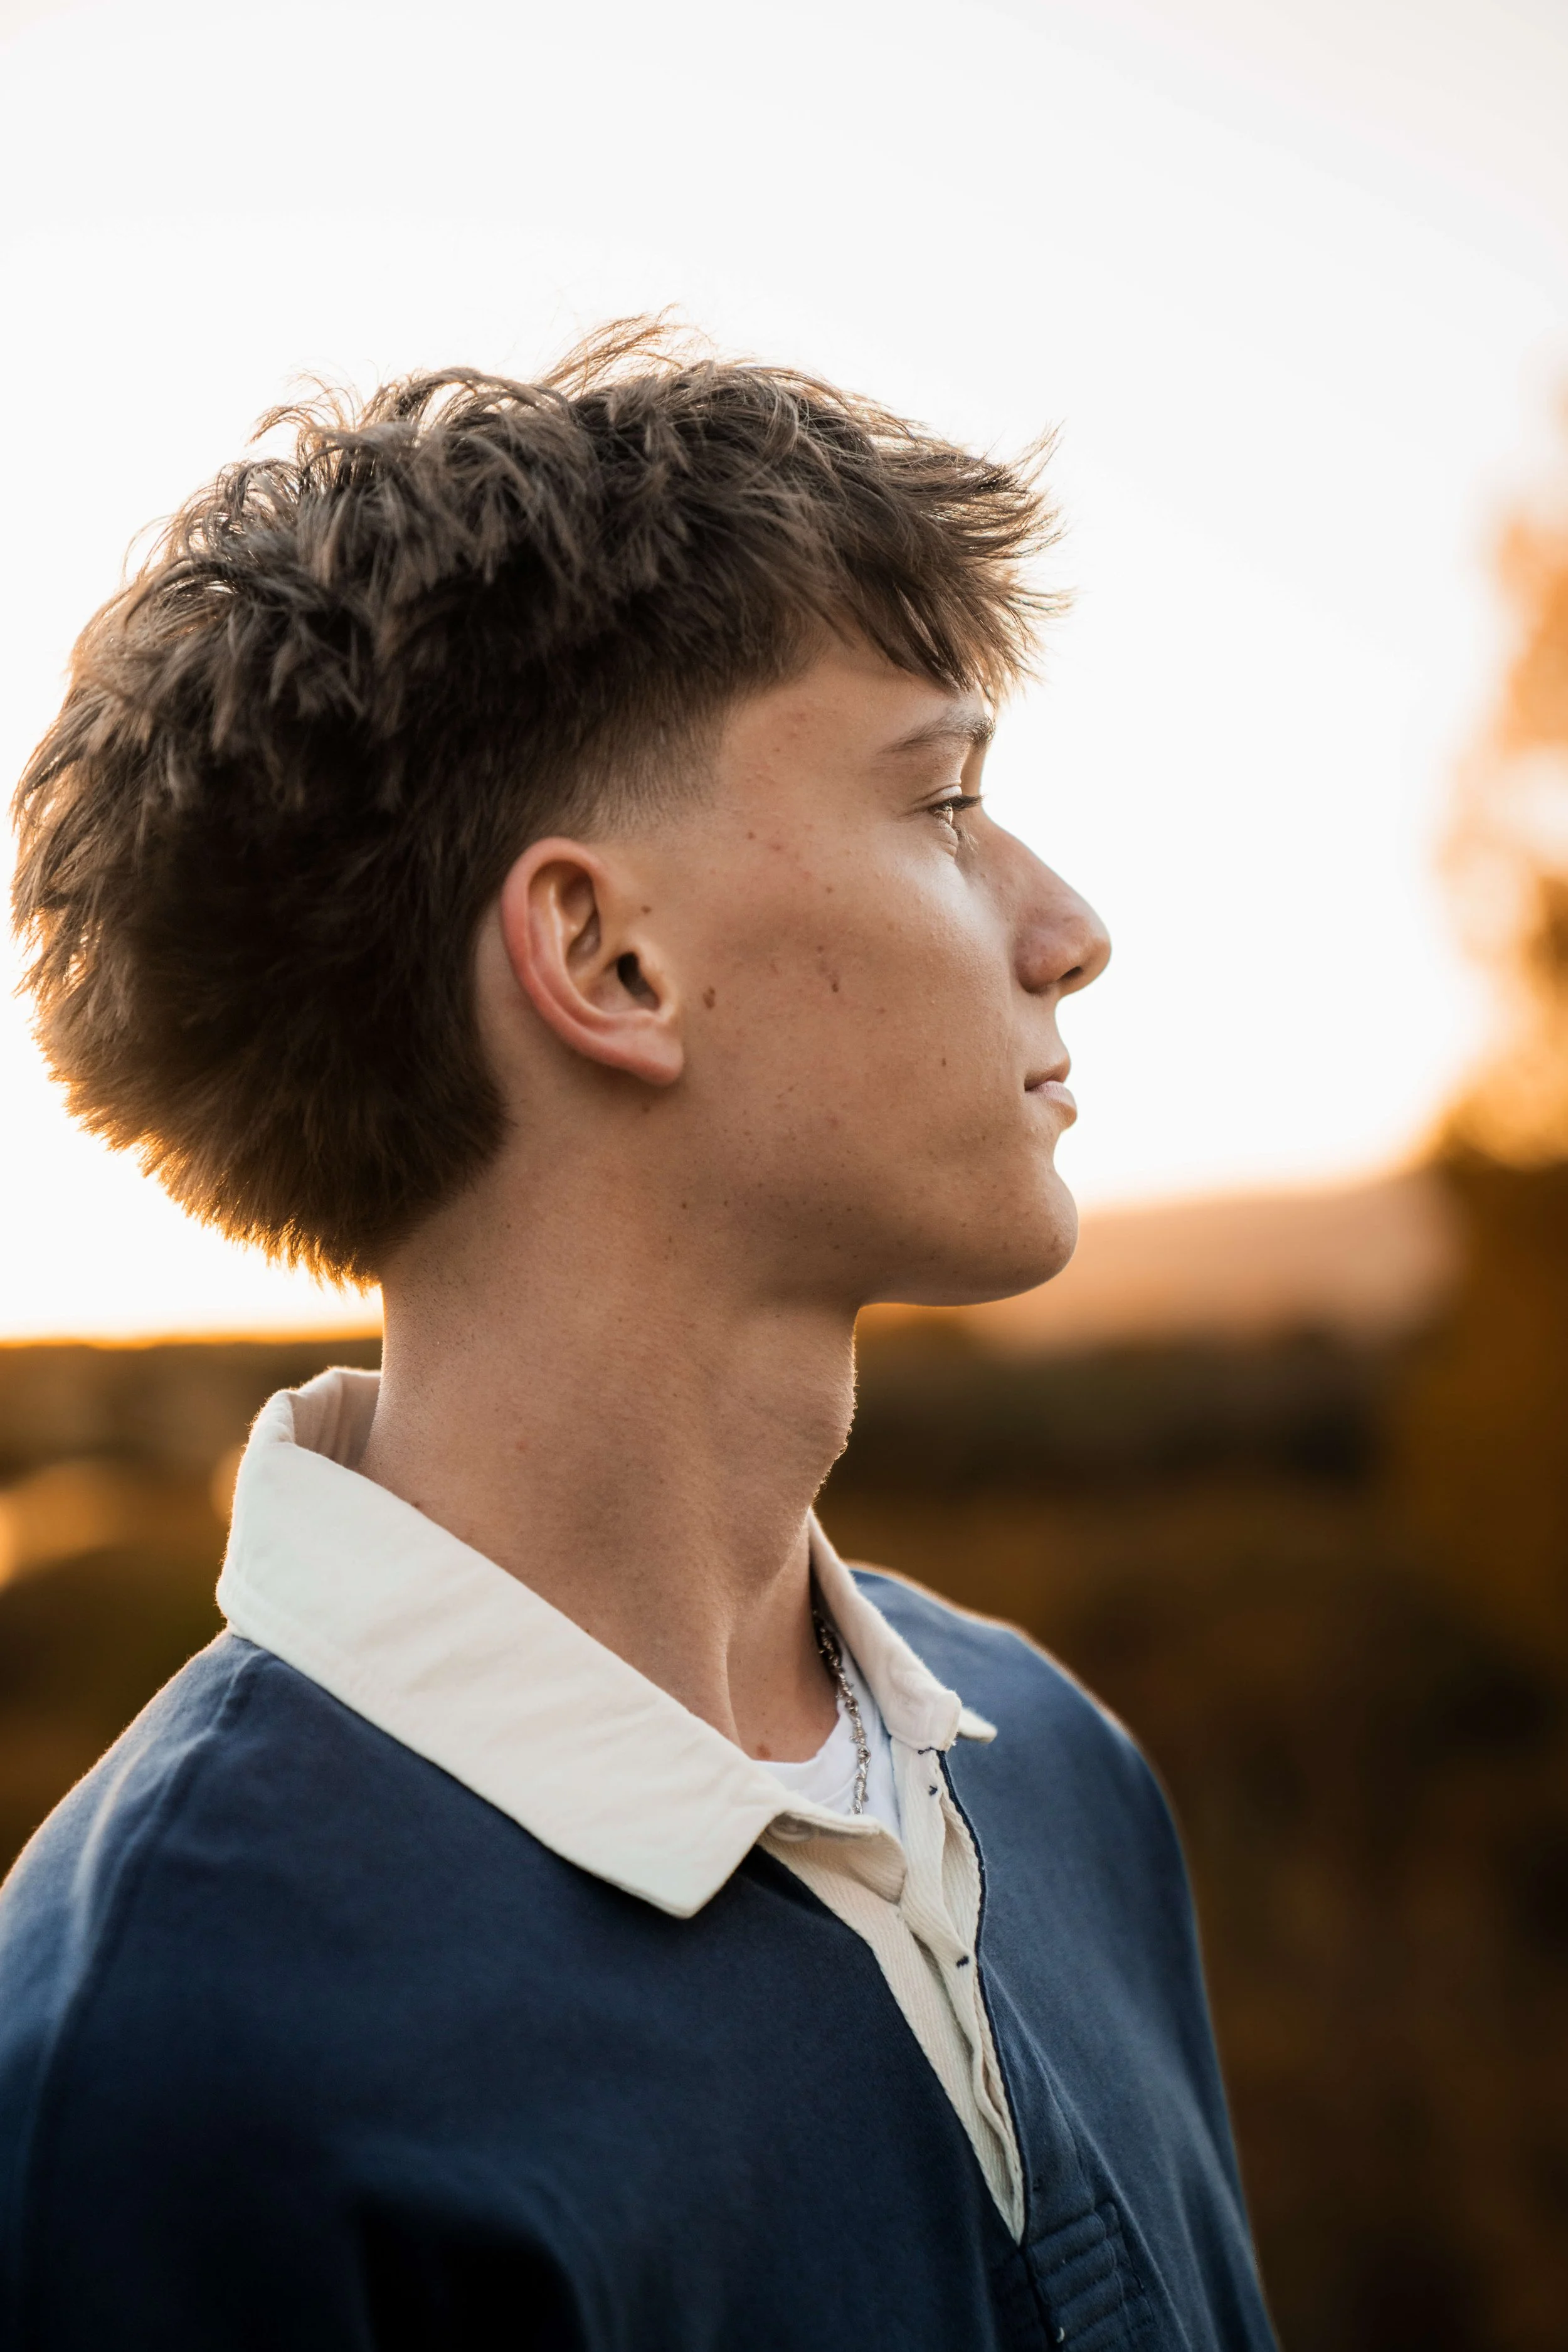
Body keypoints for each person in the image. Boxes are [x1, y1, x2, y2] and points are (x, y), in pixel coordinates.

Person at [0, 323, 1275, 2350]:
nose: (1067, 925)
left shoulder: (1053, 1765)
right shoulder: (177, 2050)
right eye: (943, 797)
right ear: (607, 956)